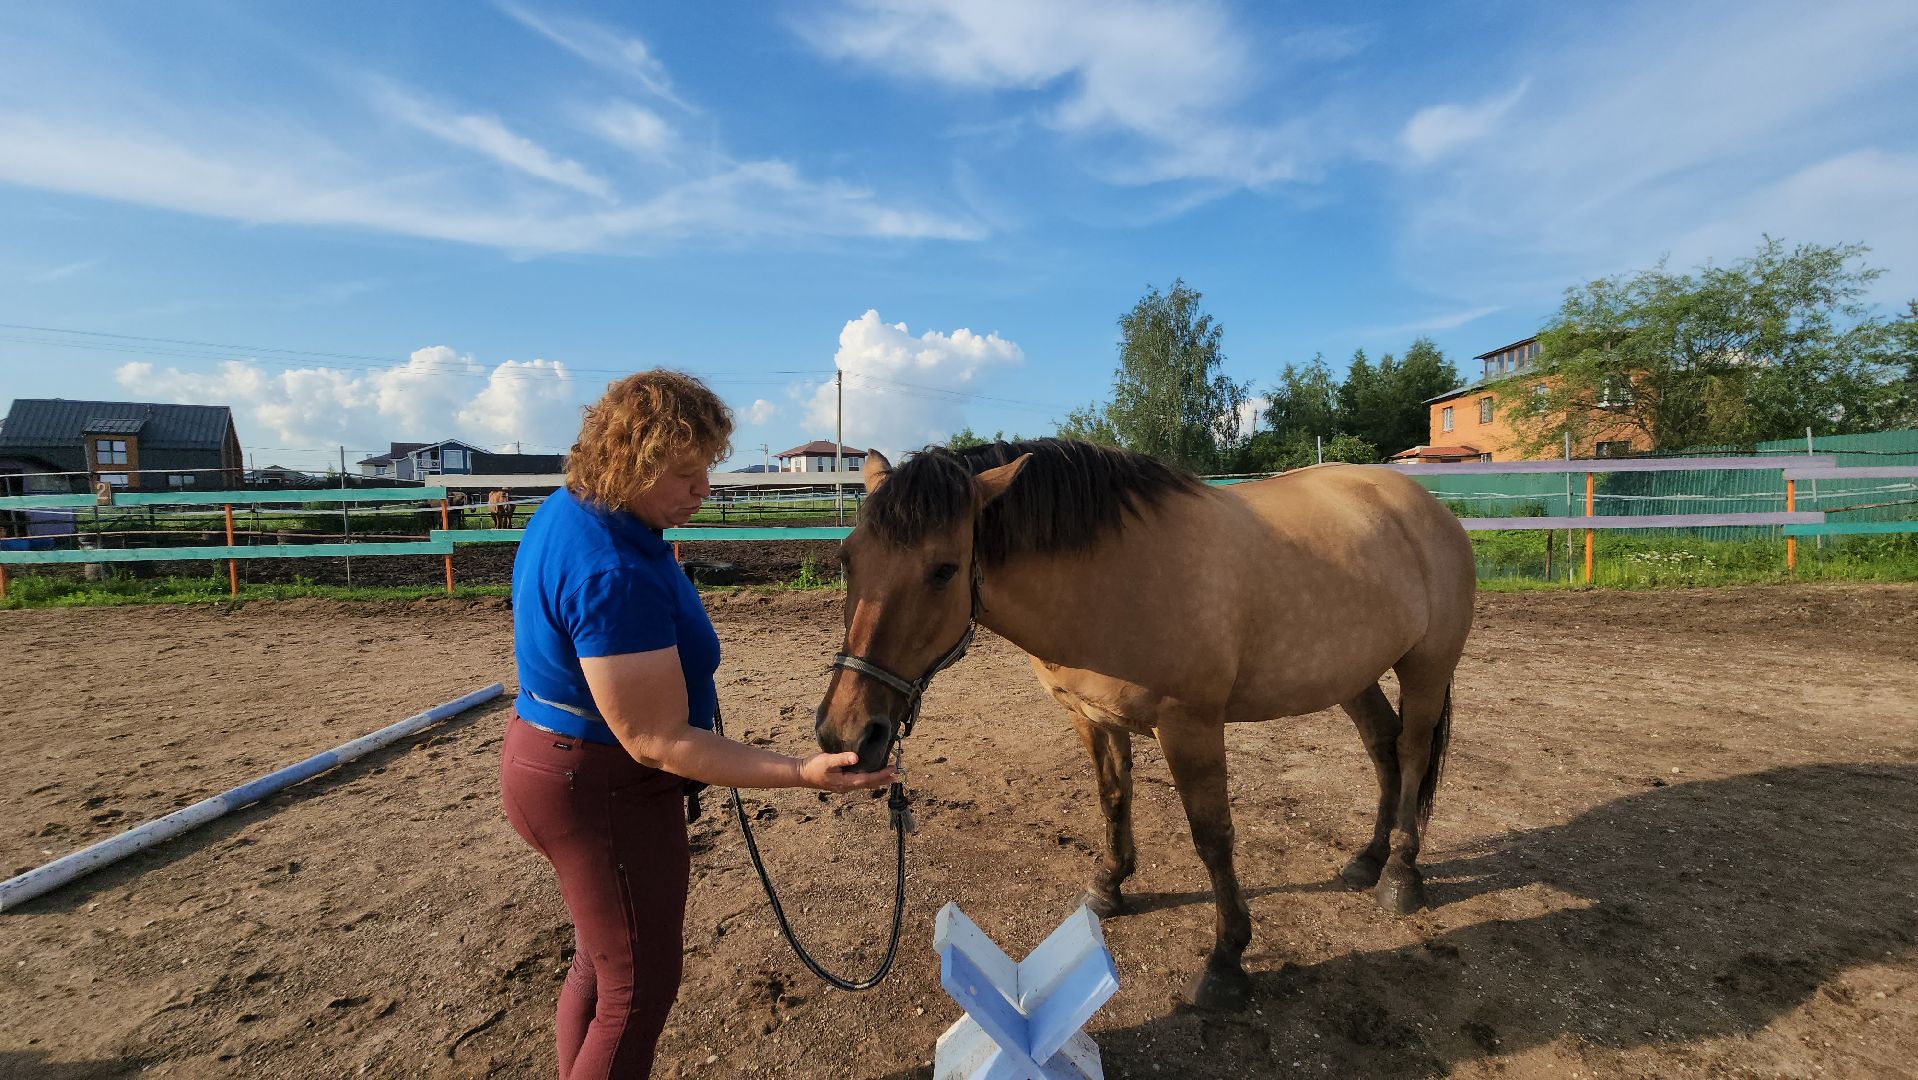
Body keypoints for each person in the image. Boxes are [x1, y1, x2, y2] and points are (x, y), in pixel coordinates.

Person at [501, 369, 893, 1080]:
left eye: (706, 468)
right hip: (603, 790)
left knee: (602, 958)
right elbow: (657, 740)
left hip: (551, 763)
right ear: (632, 462)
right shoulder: (613, 568)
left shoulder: (577, 512)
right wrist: (802, 773)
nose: (702, 489)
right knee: (636, 991)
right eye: (685, 473)